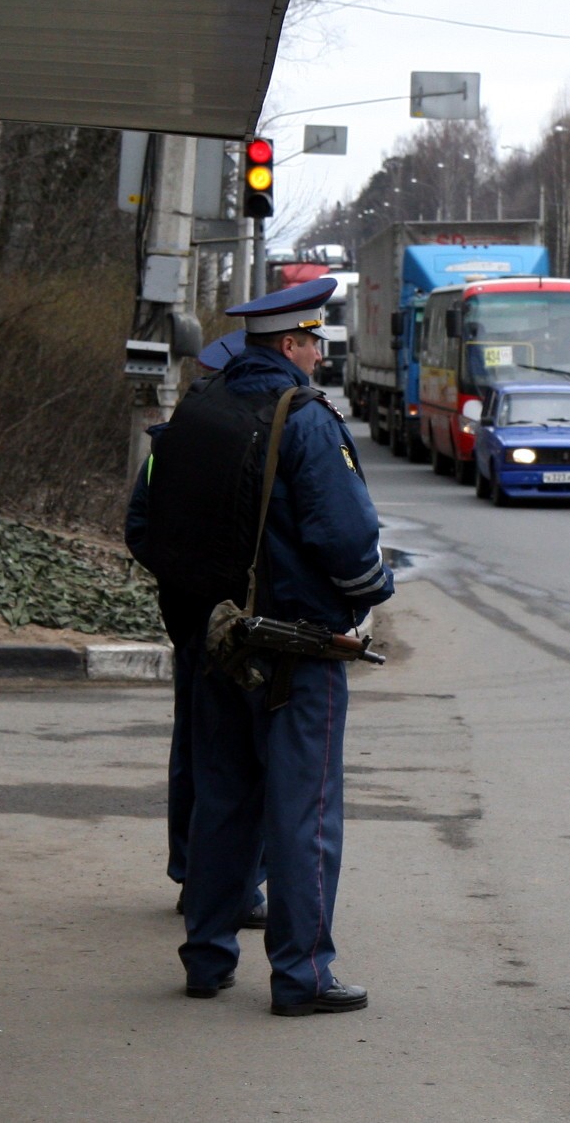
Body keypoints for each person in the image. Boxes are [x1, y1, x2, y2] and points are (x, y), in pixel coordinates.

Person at [138, 279, 393, 1015]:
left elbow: (152, 525)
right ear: (291, 345)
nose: (319, 353)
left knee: (222, 799)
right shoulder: (303, 418)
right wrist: (368, 594)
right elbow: (347, 539)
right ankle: (303, 973)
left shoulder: (198, 410)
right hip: (297, 650)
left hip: (214, 640)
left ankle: (207, 954)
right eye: (314, 341)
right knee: (304, 810)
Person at [125, 329, 265, 928]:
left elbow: (140, 529)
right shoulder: (242, 436)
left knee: (195, 749)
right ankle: (225, 883)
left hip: (188, 617)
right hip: (233, 623)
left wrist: (182, 585)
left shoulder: (175, 438)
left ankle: (193, 873)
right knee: (237, 758)